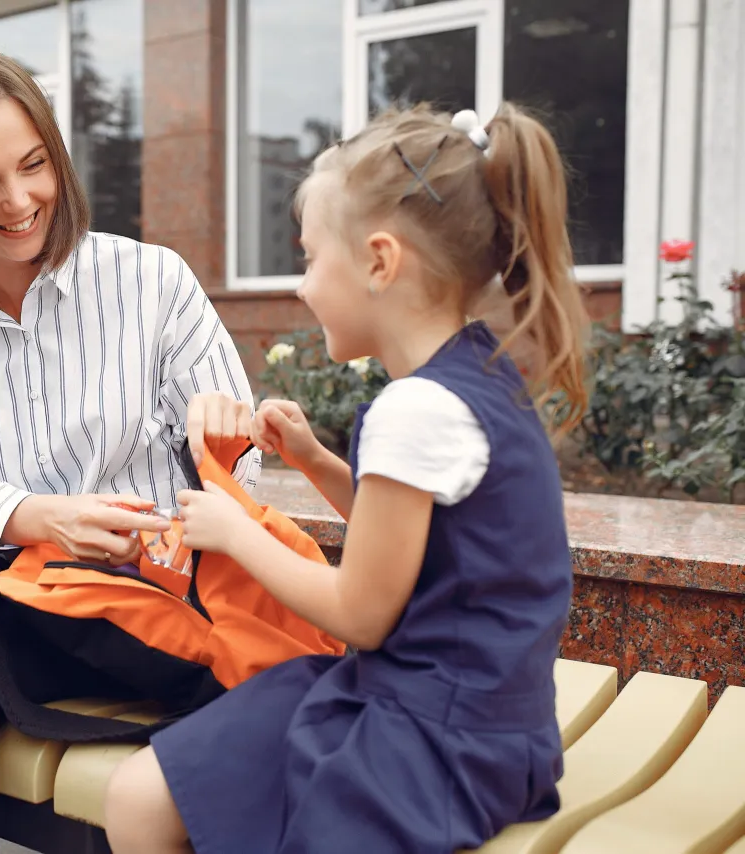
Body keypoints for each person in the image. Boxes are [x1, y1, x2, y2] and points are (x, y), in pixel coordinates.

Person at [102, 103, 591, 853]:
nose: (301, 287)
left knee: (152, 801)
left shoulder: (416, 409)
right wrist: (317, 461)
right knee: (137, 798)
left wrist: (235, 533)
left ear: (379, 261)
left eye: (308, 258)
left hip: (441, 738)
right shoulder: (477, 376)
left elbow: (360, 613)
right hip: (455, 711)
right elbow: (419, 542)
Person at [0, 47, 262, 854]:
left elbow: (241, 474)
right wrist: (43, 519)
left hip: (149, 608)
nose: (19, 200)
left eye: (34, 166)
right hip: (22, 605)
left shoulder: (151, 283)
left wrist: (218, 439)